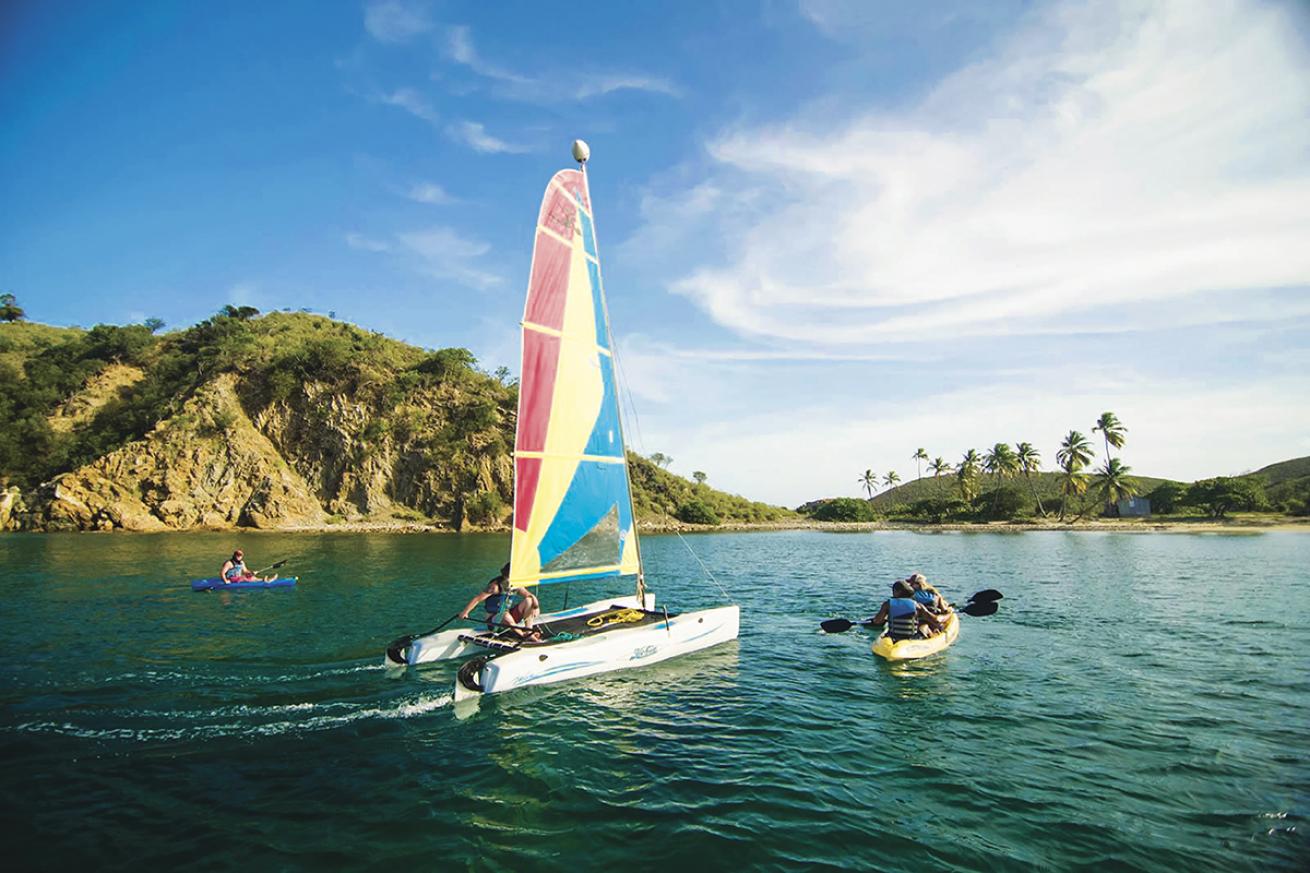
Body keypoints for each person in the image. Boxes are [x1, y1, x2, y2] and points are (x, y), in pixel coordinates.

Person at [459, 563, 541, 639]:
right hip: (494, 621)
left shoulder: (516, 584)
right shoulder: (495, 586)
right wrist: (465, 612)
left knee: (529, 601)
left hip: (508, 617)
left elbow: (529, 595)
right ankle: (523, 635)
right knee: (504, 615)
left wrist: (536, 607)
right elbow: (477, 599)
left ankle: (528, 631)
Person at [867, 580, 944, 641]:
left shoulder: (887, 604)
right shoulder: (917, 605)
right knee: (925, 626)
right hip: (912, 638)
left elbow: (877, 621)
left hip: (893, 637)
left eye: (894, 590)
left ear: (898, 592)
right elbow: (935, 620)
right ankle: (934, 636)